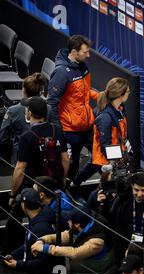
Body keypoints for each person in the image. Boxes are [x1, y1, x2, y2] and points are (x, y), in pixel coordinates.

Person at [47, 34, 99, 186]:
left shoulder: (83, 67)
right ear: (74, 52)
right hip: (69, 130)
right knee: (70, 166)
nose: (88, 55)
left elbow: (86, 91)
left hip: (87, 125)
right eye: (85, 52)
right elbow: (51, 103)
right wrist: (59, 130)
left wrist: (102, 96)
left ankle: (76, 184)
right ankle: (63, 192)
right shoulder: (61, 73)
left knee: (101, 155)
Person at [31, 208, 116, 274]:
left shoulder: (97, 241)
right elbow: (64, 236)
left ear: (77, 224)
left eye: (70, 220)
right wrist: (42, 240)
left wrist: (45, 248)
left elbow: (75, 253)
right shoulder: (84, 229)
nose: (68, 222)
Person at [9, 96, 69, 205]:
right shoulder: (58, 130)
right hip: (55, 183)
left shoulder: (26, 137)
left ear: (29, 113)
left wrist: (13, 194)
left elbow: (20, 168)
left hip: (36, 188)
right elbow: (65, 159)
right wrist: (63, 178)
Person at [2, 188, 59, 274]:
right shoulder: (38, 218)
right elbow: (29, 243)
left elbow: (43, 261)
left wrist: (18, 265)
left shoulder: (41, 228)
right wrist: (13, 255)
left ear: (24, 206)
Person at [0, 73, 47, 165]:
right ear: (40, 92)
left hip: (20, 158)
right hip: (43, 157)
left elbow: (2, 138)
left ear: (24, 90)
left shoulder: (13, 111)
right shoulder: (48, 109)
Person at [92, 77, 131, 168]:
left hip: (118, 155)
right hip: (107, 162)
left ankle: (76, 182)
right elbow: (105, 144)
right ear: (120, 94)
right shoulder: (105, 117)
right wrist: (114, 162)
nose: (129, 94)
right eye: (128, 91)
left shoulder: (120, 109)